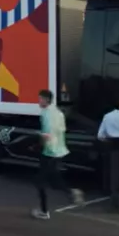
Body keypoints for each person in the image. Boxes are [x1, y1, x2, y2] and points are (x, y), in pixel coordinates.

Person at [33, 89, 85, 220]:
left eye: (40, 99)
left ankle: (44, 211)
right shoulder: (59, 113)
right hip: (60, 150)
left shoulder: (46, 114)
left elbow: (47, 134)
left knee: (40, 181)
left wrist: (38, 141)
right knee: (54, 179)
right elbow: (62, 130)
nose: (39, 101)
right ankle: (71, 192)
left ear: (46, 100)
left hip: (49, 151)